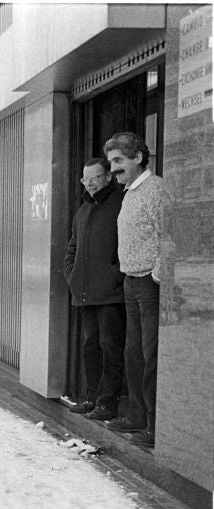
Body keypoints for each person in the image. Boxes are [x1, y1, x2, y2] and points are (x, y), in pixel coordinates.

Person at [104, 132, 167, 448]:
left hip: (148, 284)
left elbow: (171, 236)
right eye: (111, 162)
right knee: (134, 353)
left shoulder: (155, 190)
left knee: (151, 354)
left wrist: (156, 276)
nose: (113, 169)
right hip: (132, 282)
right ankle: (138, 417)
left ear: (139, 157)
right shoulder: (130, 192)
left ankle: (156, 427)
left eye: (118, 161)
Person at [63, 158, 126, 421]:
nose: (90, 183)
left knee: (110, 346)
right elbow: (72, 249)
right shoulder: (83, 210)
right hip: (85, 292)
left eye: (95, 177)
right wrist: (72, 275)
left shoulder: (120, 204)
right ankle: (91, 397)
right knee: (91, 347)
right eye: (85, 179)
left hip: (111, 292)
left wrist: (115, 275)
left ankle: (107, 403)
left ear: (108, 177)